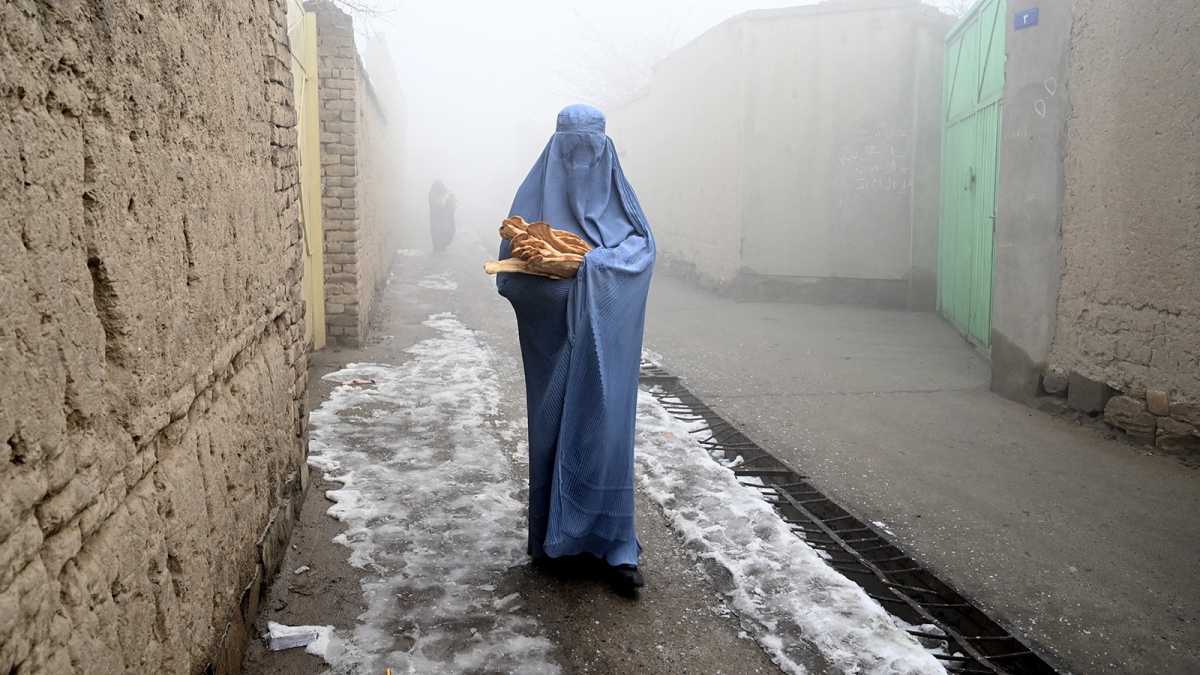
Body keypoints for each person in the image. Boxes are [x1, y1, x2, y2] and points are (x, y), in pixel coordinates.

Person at [495, 104, 656, 595]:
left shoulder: (621, 202)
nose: (582, 163)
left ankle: (614, 547)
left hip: (607, 345)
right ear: (556, 148)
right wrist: (559, 284)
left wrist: (594, 269)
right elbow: (510, 272)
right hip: (554, 347)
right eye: (572, 152)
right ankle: (553, 543)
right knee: (552, 435)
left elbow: (643, 250)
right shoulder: (532, 199)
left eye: (591, 151)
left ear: (605, 151)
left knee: (603, 438)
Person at [428, 179, 456, 252]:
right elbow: (433, 205)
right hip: (436, 218)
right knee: (437, 233)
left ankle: (443, 247)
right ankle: (437, 248)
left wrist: (448, 204)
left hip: (443, 218)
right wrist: (441, 206)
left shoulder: (444, 192)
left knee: (444, 232)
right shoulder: (432, 193)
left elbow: (449, 200)